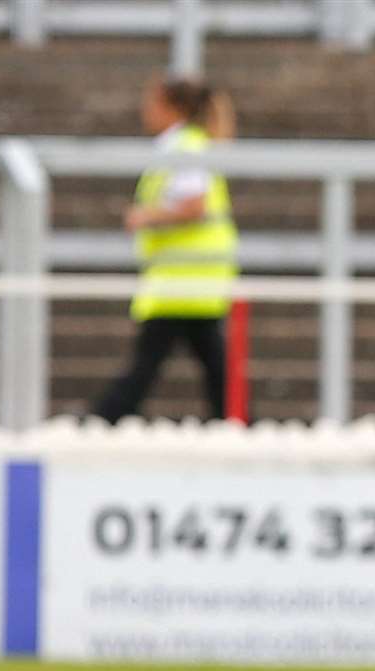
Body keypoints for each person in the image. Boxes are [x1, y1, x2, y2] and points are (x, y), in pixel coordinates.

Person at [93, 75, 239, 422]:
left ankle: (104, 418)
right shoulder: (187, 145)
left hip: (184, 275)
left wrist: (145, 216)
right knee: (212, 363)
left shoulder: (183, 148)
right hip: (193, 274)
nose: (146, 111)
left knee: (148, 362)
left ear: (172, 108)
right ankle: (238, 420)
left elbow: (194, 205)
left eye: (152, 104)